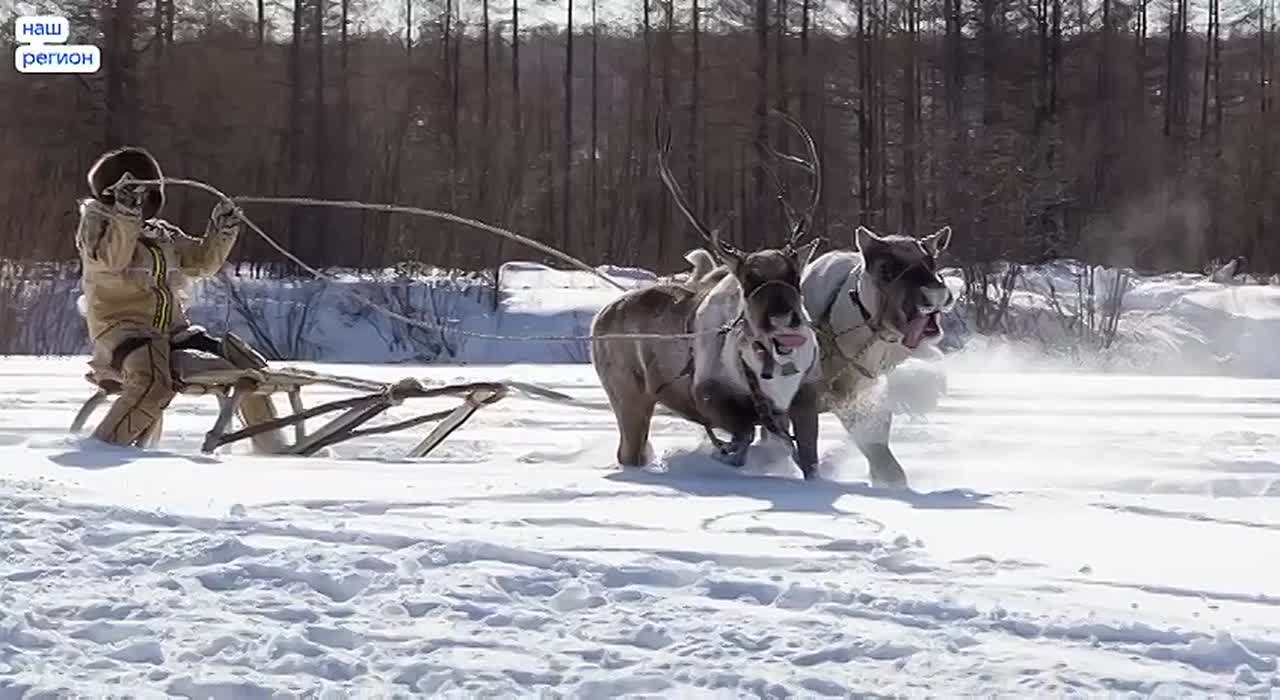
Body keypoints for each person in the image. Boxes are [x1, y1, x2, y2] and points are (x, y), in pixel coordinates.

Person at [75, 145, 285, 452]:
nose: (143, 203)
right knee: (152, 381)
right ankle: (103, 449)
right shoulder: (96, 230)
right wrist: (125, 215)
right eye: (136, 196)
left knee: (247, 366)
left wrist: (221, 231)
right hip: (123, 335)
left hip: (173, 334)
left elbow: (202, 262)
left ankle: (273, 448)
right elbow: (114, 260)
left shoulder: (162, 235)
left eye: (147, 196)